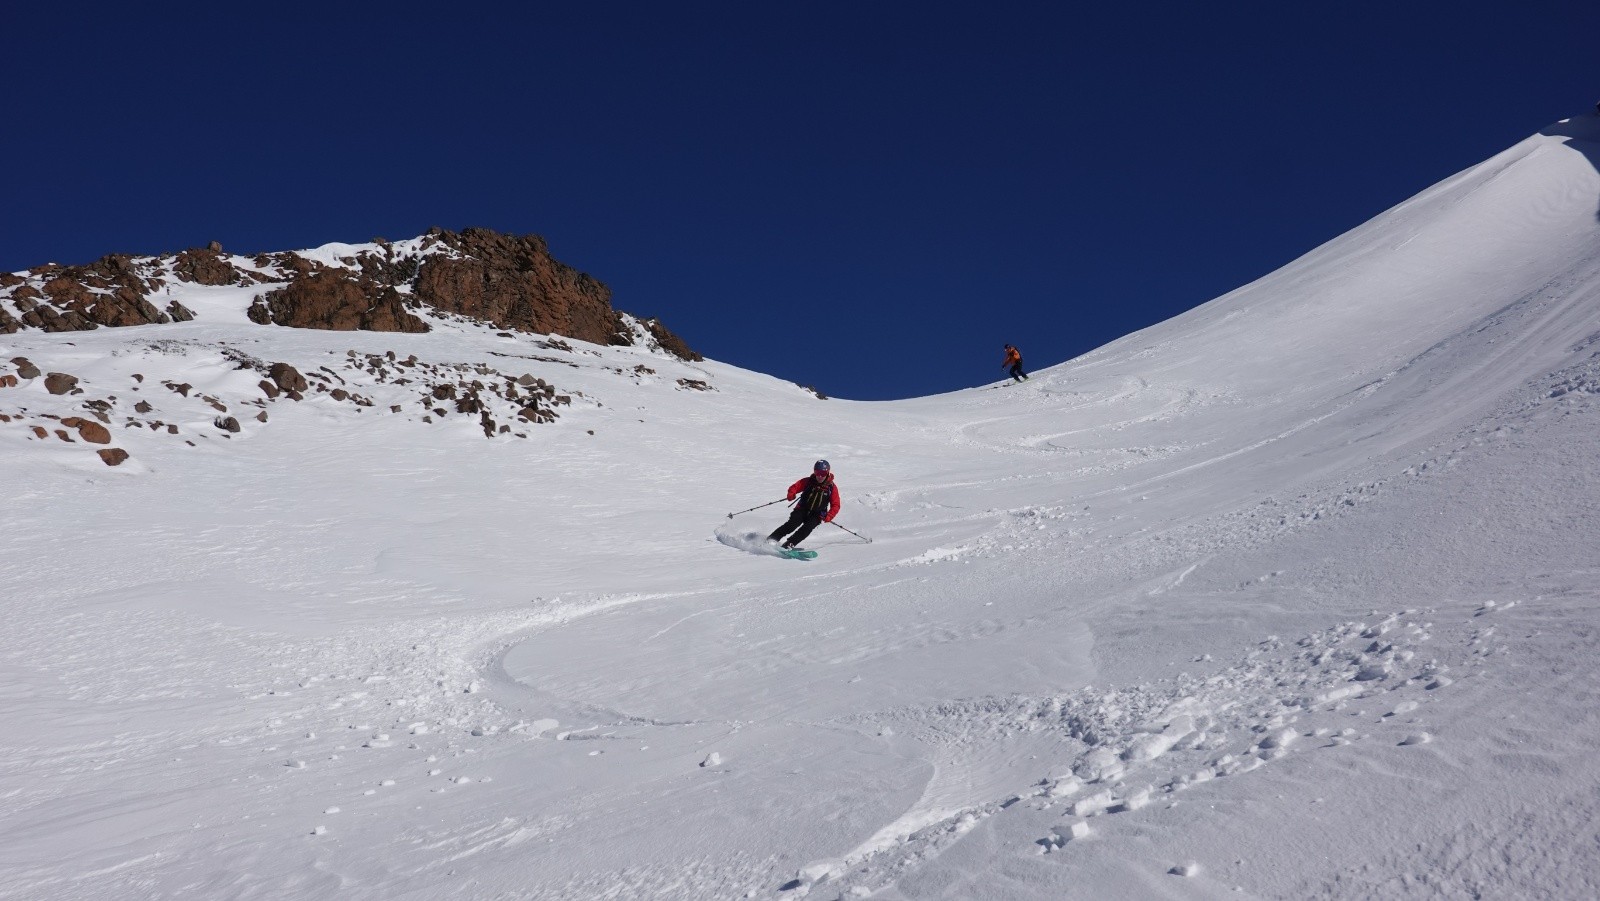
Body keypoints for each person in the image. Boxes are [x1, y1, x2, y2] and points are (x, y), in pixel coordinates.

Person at [768, 460, 840, 549]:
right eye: (817, 472)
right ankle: (772, 539)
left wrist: (830, 515)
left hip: (817, 514)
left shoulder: (831, 488)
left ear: (828, 472)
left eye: (823, 473)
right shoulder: (808, 481)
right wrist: (791, 493)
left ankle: (790, 544)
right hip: (802, 509)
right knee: (792, 525)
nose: (820, 476)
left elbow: (836, 504)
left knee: (807, 529)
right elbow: (795, 487)